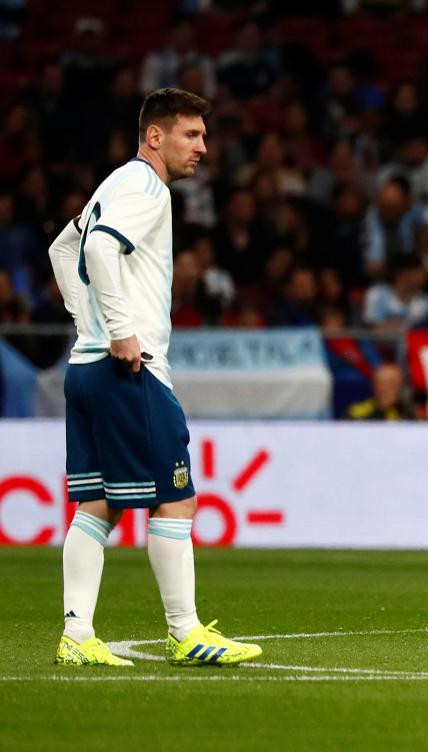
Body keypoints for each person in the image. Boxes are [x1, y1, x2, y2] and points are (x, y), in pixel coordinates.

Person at [46, 88, 261, 666]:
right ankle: (185, 631)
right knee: (177, 500)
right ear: (155, 136)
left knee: (96, 505)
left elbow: (63, 249)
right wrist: (118, 329)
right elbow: (99, 252)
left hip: (84, 368)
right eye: (192, 135)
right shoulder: (145, 187)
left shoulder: (111, 185)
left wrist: (85, 321)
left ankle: (76, 635)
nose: (203, 148)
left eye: (204, 136)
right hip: (126, 369)